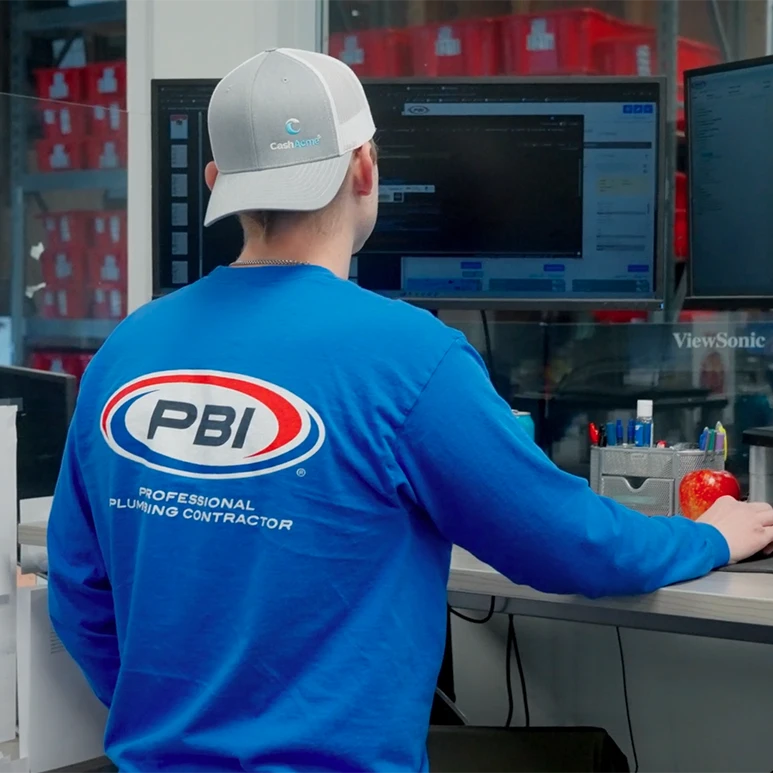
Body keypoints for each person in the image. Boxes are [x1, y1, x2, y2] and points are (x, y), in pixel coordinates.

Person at [46, 48, 773, 773]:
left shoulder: (128, 348)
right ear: (365, 168)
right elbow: (568, 544)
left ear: (217, 183)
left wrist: (174, 733)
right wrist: (706, 537)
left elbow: (77, 588)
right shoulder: (411, 357)